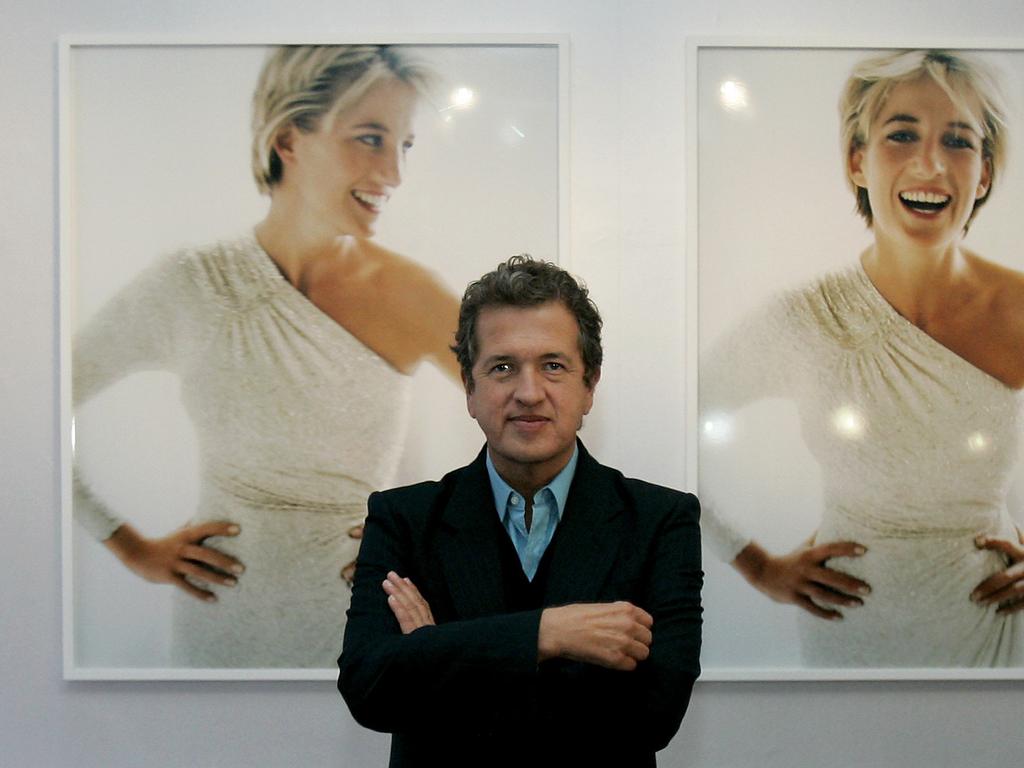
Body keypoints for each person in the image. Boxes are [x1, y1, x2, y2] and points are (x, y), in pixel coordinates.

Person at [72, 45, 461, 668]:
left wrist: (440, 533)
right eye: (370, 139)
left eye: (405, 146)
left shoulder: (410, 294)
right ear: (288, 139)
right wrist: (127, 546)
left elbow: (537, 411)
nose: (392, 174)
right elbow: (32, 405)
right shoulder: (190, 284)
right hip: (217, 624)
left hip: (363, 625)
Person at [701, 49, 1024, 666]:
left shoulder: (1019, 306)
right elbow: (670, 427)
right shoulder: (803, 317)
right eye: (902, 134)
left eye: (958, 141)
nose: (930, 164)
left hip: (1001, 639)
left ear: (984, 173)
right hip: (850, 636)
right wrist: (755, 565)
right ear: (858, 159)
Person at [338, 256, 702, 766]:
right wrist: (548, 635)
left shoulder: (661, 519)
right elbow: (369, 689)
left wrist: (437, 650)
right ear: (469, 387)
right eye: (502, 367)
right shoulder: (403, 518)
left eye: (553, 365)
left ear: (589, 385)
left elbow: (652, 715)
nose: (529, 393)